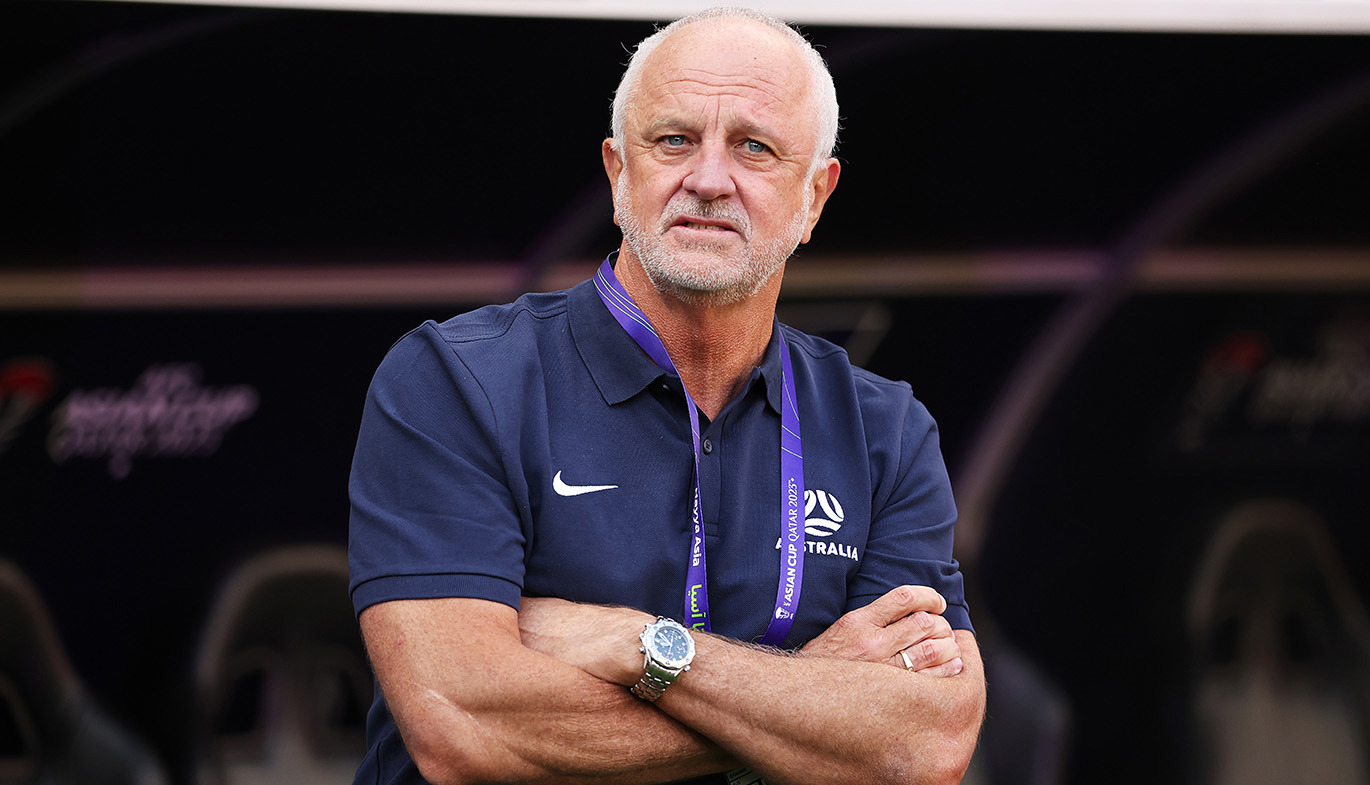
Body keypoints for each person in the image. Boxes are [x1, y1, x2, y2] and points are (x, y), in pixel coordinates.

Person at [348, 7, 985, 784]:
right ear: (620, 175)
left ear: (815, 196)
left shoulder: (886, 429)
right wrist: (818, 695)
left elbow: (927, 743)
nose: (709, 179)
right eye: (674, 140)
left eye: (755, 147)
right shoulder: (457, 380)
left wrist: (640, 646)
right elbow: (465, 726)